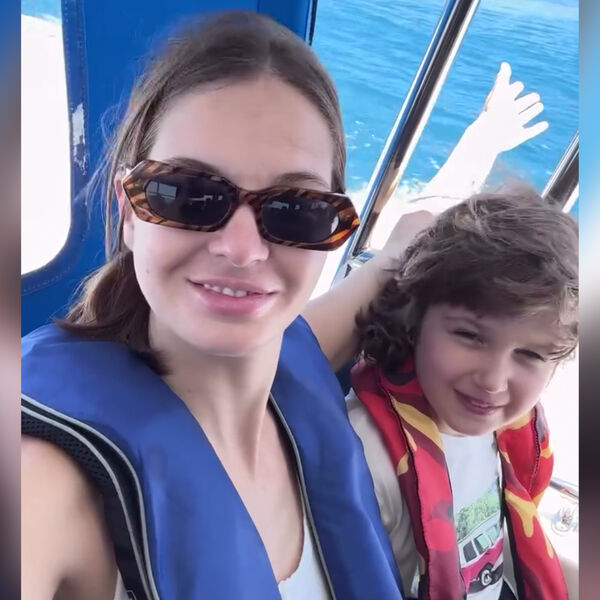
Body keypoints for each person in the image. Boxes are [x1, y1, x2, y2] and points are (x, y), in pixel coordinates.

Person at [20, 10, 550, 600]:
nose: (242, 250)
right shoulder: (47, 481)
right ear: (129, 212)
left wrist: (482, 140)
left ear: (330, 230)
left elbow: (405, 241)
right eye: (188, 194)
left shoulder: (299, 358)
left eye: (295, 210)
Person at [348, 190, 578, 600]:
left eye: (529, 354)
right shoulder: (364, 458)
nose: (493, 381)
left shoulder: (507, 429)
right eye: (470, 336)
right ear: (414, 319)